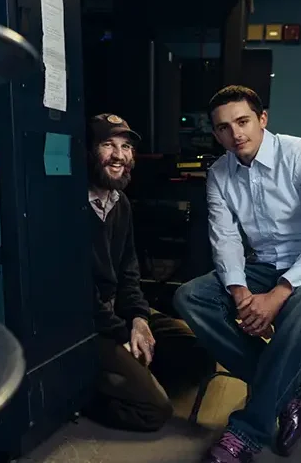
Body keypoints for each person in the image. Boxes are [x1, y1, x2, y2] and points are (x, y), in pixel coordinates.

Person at [172, 86, 301, 462]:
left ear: (262, 119)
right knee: (190, 296)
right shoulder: (219, 173)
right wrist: (241, 295)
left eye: (243, 122)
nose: (235, 134)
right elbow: (225, 240)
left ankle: (247, 431)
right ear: (215, 133)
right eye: (223, 128)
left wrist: (277, 296)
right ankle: (295, 385)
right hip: (266, 265)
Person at [84, 113, 214, 432]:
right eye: (108, 145)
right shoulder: (67, 205)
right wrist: (120, 333)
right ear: (89, 151)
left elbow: (129, 273)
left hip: (117, 312)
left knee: (202, 354)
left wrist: (139, 319)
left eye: (126, 146)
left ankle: (131, 375)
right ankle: (79, 396)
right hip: (87, 325)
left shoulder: (121, 203)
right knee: (154, 412)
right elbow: (76, 296)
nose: (119, 155)